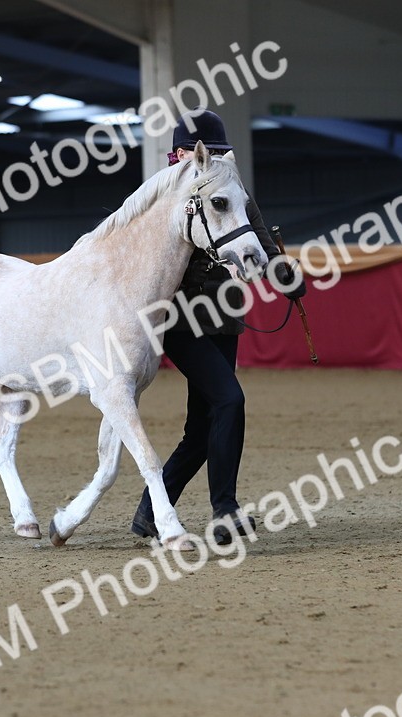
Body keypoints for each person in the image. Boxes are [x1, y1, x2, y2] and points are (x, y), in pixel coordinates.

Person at [132, 108, 307, 546]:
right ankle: (224, 511)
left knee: (202, 427)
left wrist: (285, 275)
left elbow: (260, 238)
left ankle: (150, 513)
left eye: (219, 151)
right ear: (178, 154)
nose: (214, 158)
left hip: (224, 318)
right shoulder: (162, 197)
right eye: (206, 152)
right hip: (179, 318)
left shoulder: (229, 185)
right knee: (229, 400)